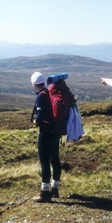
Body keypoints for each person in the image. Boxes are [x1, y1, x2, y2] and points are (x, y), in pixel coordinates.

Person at [30, 71, 61, 203]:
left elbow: (40, 117)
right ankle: (55, 188)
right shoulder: (50, 93)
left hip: (46, 132)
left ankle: (44, 192)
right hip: (55, 132)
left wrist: (35, 122)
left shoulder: (40, 97)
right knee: (55, 159)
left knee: (44, 162)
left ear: (33, 84)